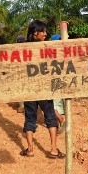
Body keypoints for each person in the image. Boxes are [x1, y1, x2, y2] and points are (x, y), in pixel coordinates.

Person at [20, 20, 65, 159]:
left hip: (29, 89)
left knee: (30, 119)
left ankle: (30, 149)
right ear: (35, 33)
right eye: (43, 32)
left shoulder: (22, 49)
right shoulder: (46, 48)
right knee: (50, 117)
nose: (45, 34)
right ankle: (53, 150)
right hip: (43, 88)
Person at [51, 34, 66, 134]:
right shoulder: (58, 53)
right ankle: (59, 122)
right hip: (59, 81)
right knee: (58, 104)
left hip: (56, 82)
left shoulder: (59, 53)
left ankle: (61, 120)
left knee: (52, 105)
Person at [16, 35, 26, 113]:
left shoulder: (14, 50)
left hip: (18, 72)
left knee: (19, 88)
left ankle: (21, 105)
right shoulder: (27, 49)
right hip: (27, 72)